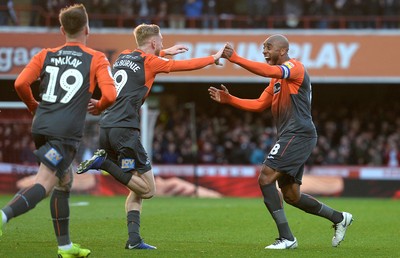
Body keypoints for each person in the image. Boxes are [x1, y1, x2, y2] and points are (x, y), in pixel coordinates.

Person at [76, 23, 224, 250]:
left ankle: (134, 239)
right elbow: (182, 66)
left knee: (135, 188)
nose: (163, 43)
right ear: (153, 42)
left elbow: (145, 61)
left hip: (107, 127)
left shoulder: (124, 56)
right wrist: (212, 58)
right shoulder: (150, 62)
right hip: (125, 131)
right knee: (149, 190)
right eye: (161, 41)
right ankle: (103, 162)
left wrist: (165, 52)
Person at [208, 35, 353, 249]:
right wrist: (230, 100)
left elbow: (269, 70)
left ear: (282, 50)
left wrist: (236, 58)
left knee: (266, 178)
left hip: (297, 133)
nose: (264, 51)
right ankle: (339, 218)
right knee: (292, 196)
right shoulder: (276, 80)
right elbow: (259, 104)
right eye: (263, 48)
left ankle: (287, 238)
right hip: (293, 135)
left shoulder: (295, 67)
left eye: (268, 47)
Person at [0, 4, 116, 258]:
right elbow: (110, 94)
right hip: (64, 132)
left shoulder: (45, 54)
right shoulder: (96, 57)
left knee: (65, 181)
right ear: (87, 28)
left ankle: (65, 247)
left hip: (41, 125)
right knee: (45, 182)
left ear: (62, 29)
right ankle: (3, 215)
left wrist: (32, 104)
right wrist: (100, 105)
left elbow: (20, 83)